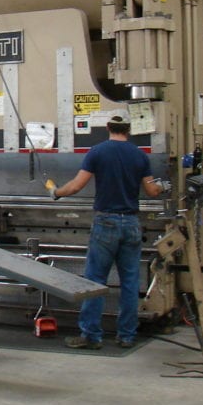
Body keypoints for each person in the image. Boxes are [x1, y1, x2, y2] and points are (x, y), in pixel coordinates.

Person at [46, 115, 166, 349]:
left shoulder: (97, 152)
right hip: (131, 223)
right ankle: (127, 336)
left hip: (105, 224)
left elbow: (77, 185)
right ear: (128, 130)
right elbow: (152, 190)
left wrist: (56, 192)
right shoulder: (140, 155)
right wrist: (162, 186)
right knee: (130, 282)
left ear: (108, 128)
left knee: (95, 280)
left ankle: (91, 336)